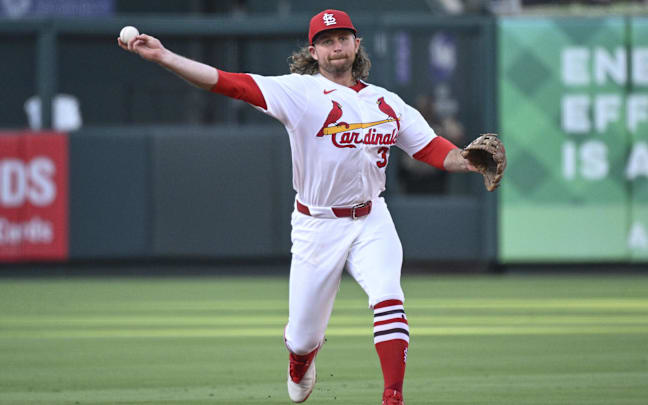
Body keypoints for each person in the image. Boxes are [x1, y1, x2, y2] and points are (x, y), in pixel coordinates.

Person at [118, 9, 486, 405]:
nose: (336, 47)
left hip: (371, 217)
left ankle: (392, 397)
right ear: (313, 52)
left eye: (342, 38)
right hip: (317, 225)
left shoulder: (386, 102)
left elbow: (429, 147)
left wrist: (466, 160)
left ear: (356, 43)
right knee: (303, 336)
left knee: (388, 297)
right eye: (327, 42)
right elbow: (228, 84)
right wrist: (164, 56)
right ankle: (300, 358)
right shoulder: (299, 92)